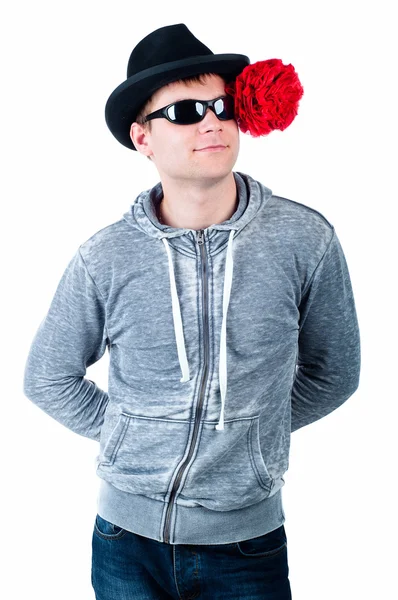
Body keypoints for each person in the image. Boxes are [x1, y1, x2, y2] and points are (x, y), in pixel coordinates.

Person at [23, 23, 361, 600]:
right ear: (142, 137)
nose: (210, 121)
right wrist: (132, 432)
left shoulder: (306, 240)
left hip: (246, 548)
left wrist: (255, 433)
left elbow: (335, 373)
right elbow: (48, 378)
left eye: (222, 106)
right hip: (124, 544)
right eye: (183, 111)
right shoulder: (104, 256)